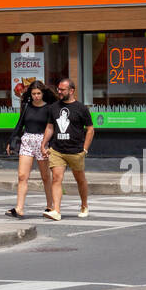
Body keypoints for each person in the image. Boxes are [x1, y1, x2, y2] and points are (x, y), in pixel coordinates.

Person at [40, 77, 94, 221]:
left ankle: (84, 205)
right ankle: (56, 210)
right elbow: (50, 127)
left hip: (76, 150)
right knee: (57, 178)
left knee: (80, 179)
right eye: (58, 89)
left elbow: (90, 129)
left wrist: (85, 149)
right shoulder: (54, 107)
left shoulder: (81, 108)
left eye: (62, 89)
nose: (59, 92)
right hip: (57, 149)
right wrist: (44, 144)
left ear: (71, 90)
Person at [5, 80, 55, 218]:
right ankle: (19, 208)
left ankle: (51, 206)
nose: (36, 96)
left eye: (39, 93)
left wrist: (49, 145)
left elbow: (52, 128)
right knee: (22, 176)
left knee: (45, 177)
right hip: (27, 141)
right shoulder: (27, 106)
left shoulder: (49, 108)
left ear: (43, 93)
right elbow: (19, 124)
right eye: (34, 93)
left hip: (42, 142)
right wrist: (11, 140)